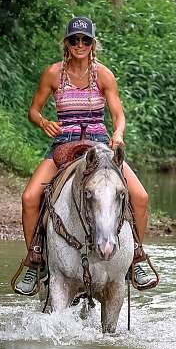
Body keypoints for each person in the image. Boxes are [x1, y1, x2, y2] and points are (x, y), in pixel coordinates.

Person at [14, 17, 156, 295]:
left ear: (93, 44)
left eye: (85, 40)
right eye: (74, 40)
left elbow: (118, 114)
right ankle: (35, 259)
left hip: (100, 144)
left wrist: (118, 134)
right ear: (66, 43)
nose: (80, 45)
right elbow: (33, 110)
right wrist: (43, 123)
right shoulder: (53, 74)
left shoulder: (104, 75)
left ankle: (136, 256)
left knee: (140, 197)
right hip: (63, 144)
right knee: (30, 198)